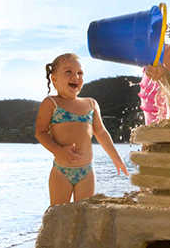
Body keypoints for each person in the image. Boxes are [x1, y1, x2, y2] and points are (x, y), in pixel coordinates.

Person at [35, 53, 129, 206]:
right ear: (54, 78)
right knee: (58, 215)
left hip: (86, 171)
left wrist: (115, 157)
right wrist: (58, 151)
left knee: (84, 215)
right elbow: (40, 133)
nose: (75, 76)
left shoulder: (91, 104)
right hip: (61, 171)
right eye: (68, 72)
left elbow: (101, 133)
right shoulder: (51, 103)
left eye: (80, 73)